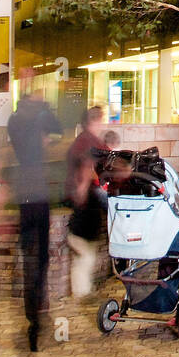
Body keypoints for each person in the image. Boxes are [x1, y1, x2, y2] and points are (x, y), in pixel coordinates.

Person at [6, 90, 63, 351]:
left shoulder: (17, 123)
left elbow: (51, 127)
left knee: (34, 260)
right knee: (37, 260)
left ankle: (35, 313)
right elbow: (54, 126)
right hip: (35, 200)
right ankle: (35, 315)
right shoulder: (25, 124)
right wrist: (43, 106)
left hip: (29, 200)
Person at [64, 105, 107, 298]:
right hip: (86, 201)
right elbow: (86, 165)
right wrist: (82, 187)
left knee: (87, 250)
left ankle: (83, 290)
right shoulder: (89, 143)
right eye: (100, 121)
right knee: (85, 250)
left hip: (86, 201)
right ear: (95, 121)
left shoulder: (84, 141)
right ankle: (82, 292)